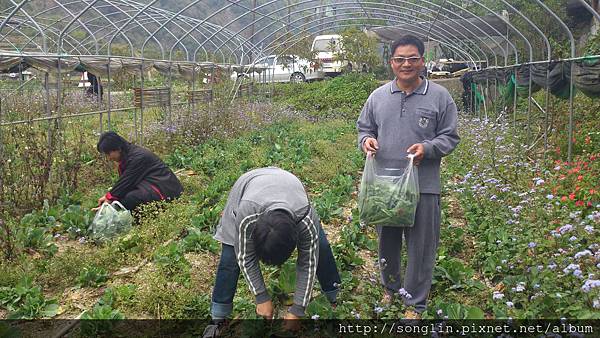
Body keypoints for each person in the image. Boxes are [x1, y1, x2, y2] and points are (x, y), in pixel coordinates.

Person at [356, 35, 460, 318]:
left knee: (421, 245)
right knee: (386, 240)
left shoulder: (440, 97)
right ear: (391, 63)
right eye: (400, 59)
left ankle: (416, 303)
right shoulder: (377, 97)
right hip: (385, 185)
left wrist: (428, 148)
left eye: (412, 58)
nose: (406, 64)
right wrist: (366, 141)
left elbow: (450, 137)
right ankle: (390, 289)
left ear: (422, 61)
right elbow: (364, 129)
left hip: (424, 185)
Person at [203, 167, 340, 337]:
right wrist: (261, 297)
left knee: (322, 247)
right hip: (247, 188)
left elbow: (308, 263)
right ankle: (218, 316)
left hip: (290, 189)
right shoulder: (247, 215)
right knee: (230, 257)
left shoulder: (305, 218)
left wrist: (298, 309)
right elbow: (245, 256)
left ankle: (334, 295)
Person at [95, 131, 183, 211]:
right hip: (155, 185)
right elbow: (125, 183)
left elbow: (127, 181)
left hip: (165, 190)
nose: (109, 158)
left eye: (108, 154)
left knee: (129, 199)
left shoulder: (138, 157)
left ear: (118, 148)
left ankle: (140, 220)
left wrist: (109, 199)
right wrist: (109, 197)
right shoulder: (129, 155)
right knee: (122, 197)